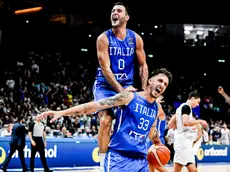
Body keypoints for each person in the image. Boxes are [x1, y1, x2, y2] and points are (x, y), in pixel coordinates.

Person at [39, 68, 172, 172]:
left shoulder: (156, 107)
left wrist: (158, 144)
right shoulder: (129, 97)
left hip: (141, 160)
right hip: (119, 158)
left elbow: (152, 131)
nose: (162, 85)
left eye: (165, 84)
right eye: (160, 81)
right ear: (150, 81)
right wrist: (62, 112)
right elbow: (94, 106)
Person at [93, 2, 149, 169]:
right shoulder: (103, 38)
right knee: (105, 121)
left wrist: (144, 90)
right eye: (112, 11)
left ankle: (131, 160)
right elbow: (105, 68)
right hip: (105, 86)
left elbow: (143, 65)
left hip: (127, 85)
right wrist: (122, 91)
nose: (114, 13)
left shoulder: (135, 38)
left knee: (132, 123)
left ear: (126, 17)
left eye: (118, 10)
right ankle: (103, 165)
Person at [168, 92, 207, 172]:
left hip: (182, 142)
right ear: (192, 98)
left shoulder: (180, 108)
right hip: (184, 143)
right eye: (197, 102)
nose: (198, 105)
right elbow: (186, 123)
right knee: (192, 170)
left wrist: (178, 126)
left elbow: (170, 124)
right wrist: (200, 121)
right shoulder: (186, 107)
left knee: (178, 169)